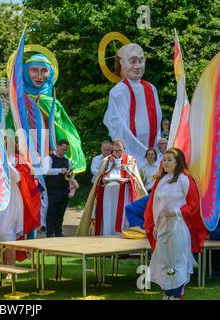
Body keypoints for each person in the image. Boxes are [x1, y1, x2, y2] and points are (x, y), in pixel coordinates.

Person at [144, 148, 207, 300]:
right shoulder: (160, 180)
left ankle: (177, 295)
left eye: (169, 159)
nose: (165, 162)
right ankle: (168, 294)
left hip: (178, 226)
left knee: (177, 260)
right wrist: (155, 225)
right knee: (164, 260)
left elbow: (193, 205)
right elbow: (153, 204)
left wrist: (176, 212)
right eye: (164, 159)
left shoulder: (185, 180)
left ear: (178, 162)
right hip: (162, 228)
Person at [103, 43, 162, 169]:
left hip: (152, 144)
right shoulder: (118, 91)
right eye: (132, 61)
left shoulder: (151, 88)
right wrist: (120, 143)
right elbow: (114, 121)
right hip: (130, 146)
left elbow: (158, 118)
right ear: (122, 64)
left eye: (141, 61)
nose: (138, 66)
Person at [76, 139, 147, 236]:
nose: (116, 153)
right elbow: (99, 178)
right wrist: (103, 180)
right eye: (114, 150)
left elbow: (135, 178)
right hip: (107, 195)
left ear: (124, 150)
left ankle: (122, 241)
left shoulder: (130, 160)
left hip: (123, 194)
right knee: (108, 217)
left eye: (119, 150)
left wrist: (126, 180)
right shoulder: (106, 161)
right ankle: (106, 238)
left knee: (122, 218)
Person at [41, 139, 76, 237]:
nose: (64, 151)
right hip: (53, 190)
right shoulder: (49, 158)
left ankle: (58, 232)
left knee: (60, 213)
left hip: (64, 190)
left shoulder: (67, 160)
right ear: (57, 147)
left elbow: (72, 175)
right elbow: (46, 171)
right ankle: (50, 233)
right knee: (52, 212)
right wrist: (60, 170)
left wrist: (71, 174)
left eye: (65, 150)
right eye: (63, 149)